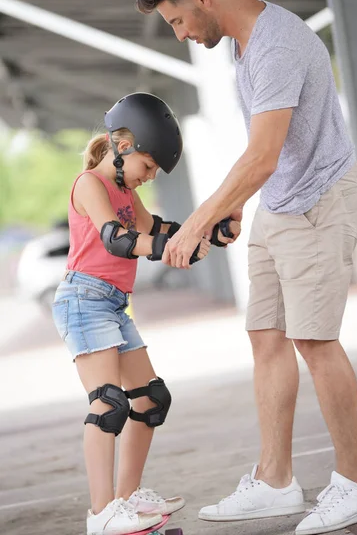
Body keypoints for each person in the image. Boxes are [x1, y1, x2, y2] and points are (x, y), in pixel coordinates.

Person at [136, 0, 357, 535]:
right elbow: (265, 156)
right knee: (266, 335)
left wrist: (199, 219)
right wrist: (238, 208)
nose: (180, 35)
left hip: (321, 201)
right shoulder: (243, 51)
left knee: (314, 341)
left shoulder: (276, 44)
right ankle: (275, 481)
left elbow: (265, 155)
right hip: (281, 206)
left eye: (176, 21)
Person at [52, 92, 238, 535]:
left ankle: (126, 498)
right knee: (108, 404)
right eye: (149, 167)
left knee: (151, 399)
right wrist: (166, 249)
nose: (150, 177)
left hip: (113, 303)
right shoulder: (90, 185)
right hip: (83, 299)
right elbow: (117, 238)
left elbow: (157, 228)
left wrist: (207, 230)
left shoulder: (124, 188)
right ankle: (101, 514)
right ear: (124, 146)